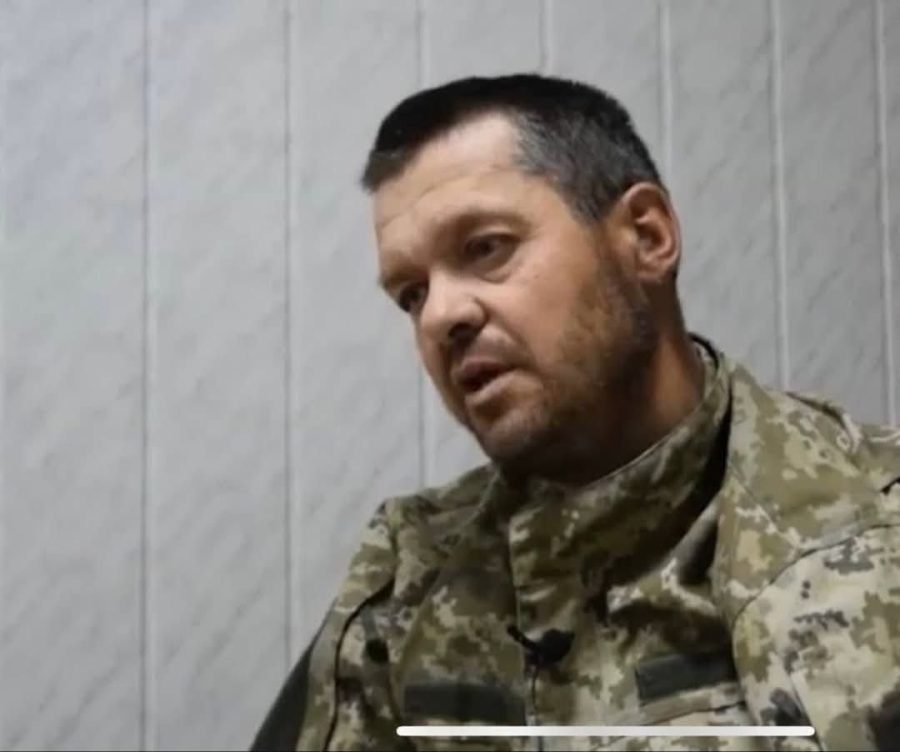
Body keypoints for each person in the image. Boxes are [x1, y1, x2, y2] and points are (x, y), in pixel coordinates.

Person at [252, 74, 900, 751]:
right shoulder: (408, 580)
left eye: (486, 247)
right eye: (411, 294)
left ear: (646, 236)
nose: (441, 315)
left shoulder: (876, 523)